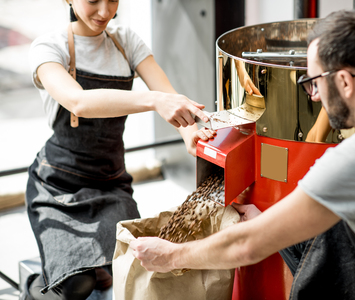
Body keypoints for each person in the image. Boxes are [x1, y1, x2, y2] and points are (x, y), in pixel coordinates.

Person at [129, 10, 355, 300]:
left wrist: (169, 256)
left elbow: (246, 245)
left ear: (344, 81)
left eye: (313, 83)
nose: (314, 96)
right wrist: (270, 221)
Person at [22, 0, 215, 299]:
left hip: (112, 183)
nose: (104, 12)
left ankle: (87, 273)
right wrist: (153, 101)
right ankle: (33, 287)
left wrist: (192, 134)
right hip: (58, 186)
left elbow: (167, 94)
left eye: (112, 0)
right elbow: (79, 103)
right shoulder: (49, 48)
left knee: (133, 271)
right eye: (93, 1)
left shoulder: (126, 41)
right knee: (76, 284)